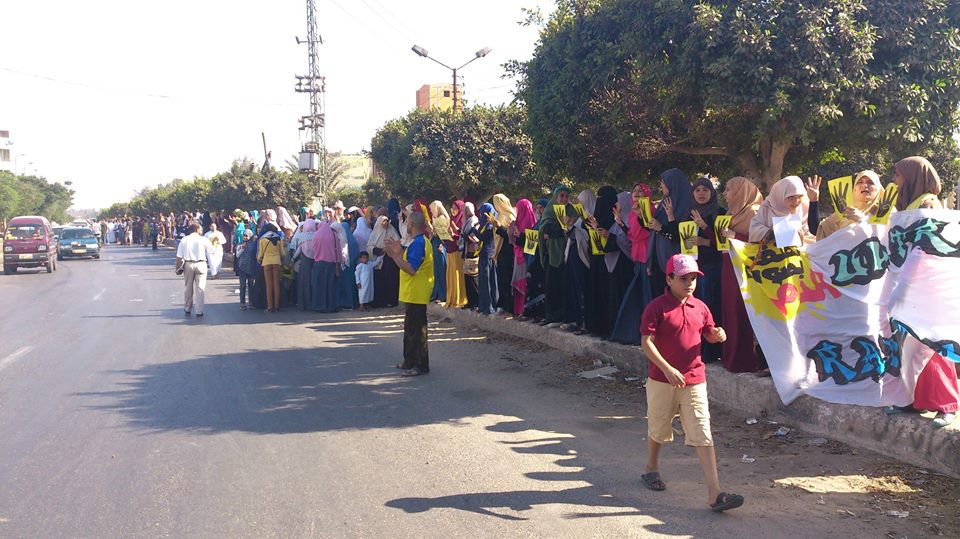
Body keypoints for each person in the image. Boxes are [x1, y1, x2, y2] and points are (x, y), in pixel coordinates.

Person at [640, 253, 743, 512]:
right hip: (662, 380)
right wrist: (667, 369)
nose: (689, 284)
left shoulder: (700, 307)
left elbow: (709, 332)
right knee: (659, 426)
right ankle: (651, 468)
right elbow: (646, 343)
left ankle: (714, 493)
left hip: (694, 378)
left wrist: (717, 334)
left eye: (693, 278)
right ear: (669, 279)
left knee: (702, 431)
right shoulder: (656, 308)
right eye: (683, 278)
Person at [886, 156, 958, 427]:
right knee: (911, 347)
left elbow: (927, 251)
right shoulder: (912, 206)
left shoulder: (927, 205)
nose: (895, 180)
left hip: (928, 289)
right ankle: (913, 400)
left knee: (932, 345)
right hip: (912, 287)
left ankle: (947, 404)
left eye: (898, 175)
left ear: (912, 177)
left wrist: (904, 285)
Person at [718, 177, 765, 373]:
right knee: (730, 310)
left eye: (729, 190)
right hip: (730, 265)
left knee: (742, 311)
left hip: (747, 269)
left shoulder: (754, 213)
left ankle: (746, 360)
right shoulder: (731, 214)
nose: (724, 194)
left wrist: (734, 236)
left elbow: (761, 243)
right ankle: (732, 357)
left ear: (740, 193)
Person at [384, 212, 434, 377]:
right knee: (410, 329)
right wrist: (396, 254)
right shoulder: (418, 242)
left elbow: (411, 269)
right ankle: (409, 360)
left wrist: (395, 256)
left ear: (412, 224)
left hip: (417, 292)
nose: (405, 225)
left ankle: (421, 365)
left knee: (418, 330)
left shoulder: (419, 243)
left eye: (407, 222)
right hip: (412, 292)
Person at [610, 183, 654, 344]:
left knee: (646, 296)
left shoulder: (650, 210)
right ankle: (635, 334)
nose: (636, 193)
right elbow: (632, 235)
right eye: (634, 190)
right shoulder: (633, 214)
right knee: (637, 296)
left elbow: (646, 233)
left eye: (641, 191)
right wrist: (620, 222)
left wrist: (641, 216)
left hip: (648, 259)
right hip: (638, 258)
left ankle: (649, 335)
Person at [687, 177, 724, 361]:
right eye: (697, 190)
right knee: (695, 309)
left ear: (712, 192)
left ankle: (714, 351)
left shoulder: (720, 212)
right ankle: (698, 350)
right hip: (694, 268)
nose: (701, 193)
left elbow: (724, 244)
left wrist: (704, 237)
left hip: (714, 267)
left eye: (705, 190)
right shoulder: (688, 214)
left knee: (711, 307)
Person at [648, 169, 693, 296]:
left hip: (676, 262)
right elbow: (654, 230)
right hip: (658, 258)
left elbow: (682, 239)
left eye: (663, 182)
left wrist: (664, 225)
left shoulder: (686, 207)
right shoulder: (664, 203)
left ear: (672, 183)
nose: (661, 186)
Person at [749, 175, 821, 244]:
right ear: (780, 195)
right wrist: (771, 233)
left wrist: (814, 200)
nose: (796, 202)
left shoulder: (803, 208)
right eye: (791, 197)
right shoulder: (767, 208)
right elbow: (754, 230)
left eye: (799, 197)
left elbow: (813, 234)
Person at [539, 186, 572, 325]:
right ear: (555, 197)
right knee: (551, 286)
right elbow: (545, 231)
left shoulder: (571, 211)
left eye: (566, 196)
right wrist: (560, 226)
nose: (564, 199)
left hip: (567, 254)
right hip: (551, 254)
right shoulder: (549, 211)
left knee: (564, 286)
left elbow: (566, 230)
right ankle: (551, 316)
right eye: (561, 196)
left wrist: (554, 231)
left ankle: (563, 316)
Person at [817, 171, 883, 239]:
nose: (864, 185)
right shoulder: (847, 210)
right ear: (855, 188)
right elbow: (819, 230)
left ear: (878, 188)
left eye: (870, 182)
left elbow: (884, 238)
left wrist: (862, 220)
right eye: (860, 182)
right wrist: (814, 200)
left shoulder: (884, 212)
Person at [175, 223, 214, 317]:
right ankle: (199, 311)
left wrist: (177, 268)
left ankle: (187, 308)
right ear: (197, 229)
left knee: (188, 287)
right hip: (201, 264)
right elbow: (211, 250)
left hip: (188, 264)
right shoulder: (203, 239)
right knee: (200, 288)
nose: (201, 230)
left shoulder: (184, 239)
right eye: (200, 229)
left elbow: (179, 256)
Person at [509, 199, 537, 316]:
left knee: (525, 283)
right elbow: (512, 241)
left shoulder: (533, 225)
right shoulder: (516, 223)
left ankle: (524, 309)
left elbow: (530, 244)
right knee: (519, 282)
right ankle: (518, 309)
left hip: (526, 258)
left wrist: (519, 235)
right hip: (518, 255)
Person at [311, 218, 342, 313]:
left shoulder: (316, 235)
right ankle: (331, 306)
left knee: (320, 286)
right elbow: (338, 250)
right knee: (331, 286)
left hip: (319, 264)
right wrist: (339, 262)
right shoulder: (334, 235)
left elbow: (313, 249)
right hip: (331, 264)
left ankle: (320, 306)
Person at [493, 194, 516, 314]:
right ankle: (502, 305)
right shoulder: (499, 215)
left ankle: (509, 307)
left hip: (507, 251)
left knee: (507, 279)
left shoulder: (510, 216)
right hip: (499, 251)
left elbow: (510, 237)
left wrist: (499, 226)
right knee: (501, 279)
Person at [476, 203, 500, 315]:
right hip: (482, 254)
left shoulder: (490, 226)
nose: (482, 215)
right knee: (482, 282)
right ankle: (483, 305)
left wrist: (473, 230)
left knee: (488, 282)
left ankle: (490, 307)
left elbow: (483, 238)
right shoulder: (484, 224)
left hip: (488, 255)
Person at [443, 200, 468, 308]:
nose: (453, 210)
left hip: (458, 251)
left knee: (458, 275)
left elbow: (463, 237)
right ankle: (451, 298)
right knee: (451, 275)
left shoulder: (462, 220)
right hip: (449, 249)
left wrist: (454, 233)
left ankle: (459, 298)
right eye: (452, 208)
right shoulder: (450, 220)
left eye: (455, 208)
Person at [257, 223, 286, 313]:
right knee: (276, 284)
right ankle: (277, 306)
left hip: (266, 262)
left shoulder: (263, 239)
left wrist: (259, 260)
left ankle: (270, 306)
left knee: (269, 285)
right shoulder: (279, 238)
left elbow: (260, 254)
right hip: (277, 262)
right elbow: (283, 253)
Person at [290, 219, 318, 310]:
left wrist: (293, 259)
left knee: (304, 283)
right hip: (315, 261)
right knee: (314, 282)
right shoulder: (316, 235)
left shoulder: (302, 236)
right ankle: (314, 303)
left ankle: (304, 304)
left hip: (305, 262)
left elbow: (299, 249)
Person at [461, 202, 481, 310]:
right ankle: (470, 301)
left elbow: (475, 237)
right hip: (466, 250)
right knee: (467, 278)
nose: (467, 211)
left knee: (473, 278)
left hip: (473, 250)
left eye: (468, 209)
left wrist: (465, 236)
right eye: (465, 209)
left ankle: (476, 302)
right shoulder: (466, 221)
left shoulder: (474, 220)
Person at [429, 201, 449, 303]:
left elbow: (442, 234)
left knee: (441, 271)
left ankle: (443, 295)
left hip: (439, 245)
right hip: (435, 244)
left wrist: (431, 227)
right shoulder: (435, 217)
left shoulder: (441, 218)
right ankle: (437, 293)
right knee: (436, 271)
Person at [236, 229, 258, 310]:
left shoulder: (253, 244)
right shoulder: (240, 244)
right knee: (242, 286)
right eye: (244, 235)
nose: (245, 237)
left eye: (246, 236)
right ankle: (242, 303)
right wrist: (242, 248)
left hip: (251, 267)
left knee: (251, 285)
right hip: (242, 267)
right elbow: (237, 255)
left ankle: (251, 302)